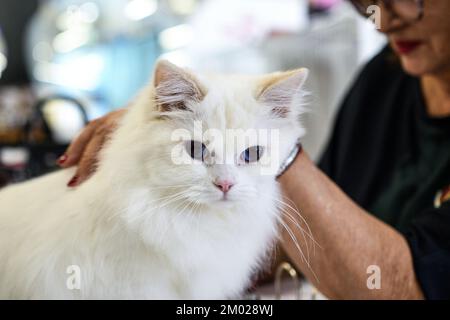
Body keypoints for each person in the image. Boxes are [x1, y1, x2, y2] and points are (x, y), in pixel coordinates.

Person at [56, 0, 450, 299]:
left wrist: (271, 144)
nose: (386, 16)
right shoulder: (385, 78)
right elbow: (305, 238)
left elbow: (407, 286)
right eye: (367, 1)